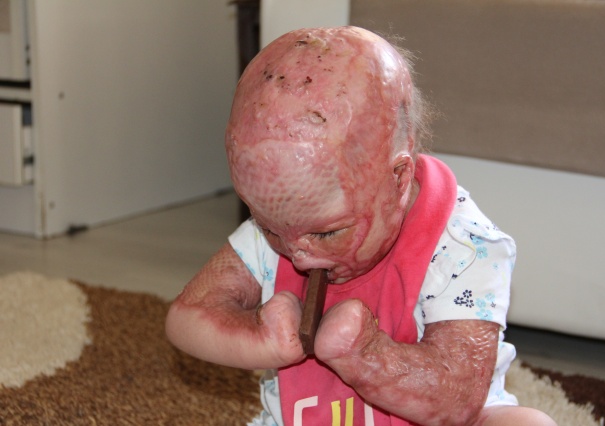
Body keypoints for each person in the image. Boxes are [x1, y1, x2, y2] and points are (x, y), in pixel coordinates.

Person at [165, 26, 556, 426]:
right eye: (269, 229)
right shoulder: (286, 224)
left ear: (399, 178)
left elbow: (458, 399)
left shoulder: (464, 247)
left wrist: (366, 354)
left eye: (327, 233)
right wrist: (260, 337)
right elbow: (186, 318)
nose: (298, 255)